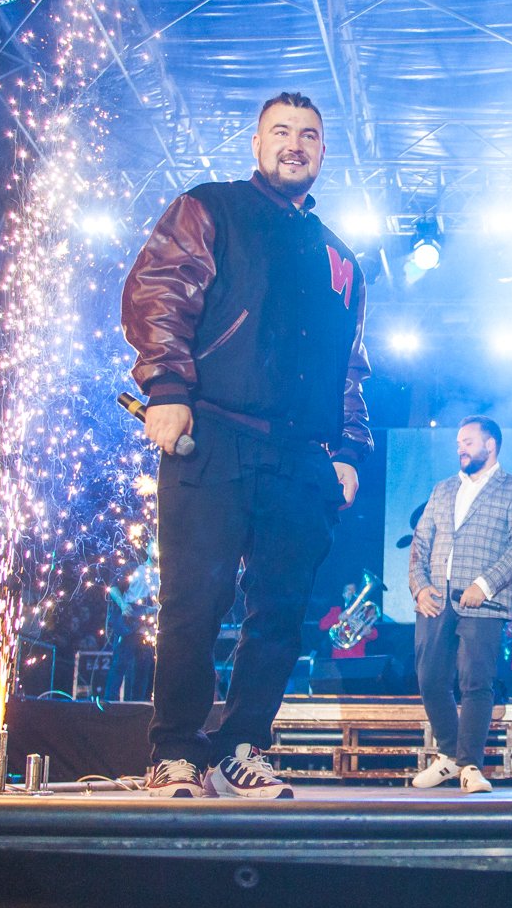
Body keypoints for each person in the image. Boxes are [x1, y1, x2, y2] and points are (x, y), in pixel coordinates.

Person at [121, 90, 371, 800]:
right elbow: (160, 290)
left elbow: (350, 362)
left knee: (280, 614)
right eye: (281, 131)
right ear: (257, 144)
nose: (295, 144)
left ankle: (241, 749)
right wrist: (167, 387)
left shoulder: (341, 256)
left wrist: (349, 448)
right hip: (213, 431)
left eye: (309, 135)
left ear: (323, 152)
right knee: (193, 602)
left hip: (302, 454)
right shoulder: (211, 207)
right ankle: (175, 753)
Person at [407, 416, 512, 794]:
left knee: (475, 681)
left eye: (467, 442)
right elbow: (420, 543)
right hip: (435, 599)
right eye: (458, 444)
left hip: (484, 600)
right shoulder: (444, 488)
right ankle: (450, 753)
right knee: (430, 678)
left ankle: (469, 765)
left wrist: (485, 584)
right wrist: (419, 587)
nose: (460, 449)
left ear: (490, 445)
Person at [102, 545, 159, 702]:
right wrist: (123, 605)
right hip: (129, 626)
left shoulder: (164, 576)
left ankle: (137, 706)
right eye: (154, 546)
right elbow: (113, 588)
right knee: (119, 665)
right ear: (147, 548)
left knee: (143, 671)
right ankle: (110, 703)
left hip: (148, 631)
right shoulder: (134, 568)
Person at [318, 581, 372, 659]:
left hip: (359, 657)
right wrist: (338, 618)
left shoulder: (363, 612)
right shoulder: (336, 611)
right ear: (343, 595)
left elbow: (374, 634)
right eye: (349, 590)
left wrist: (368, 632)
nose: (352, 593)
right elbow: (322, 625)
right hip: (339, 658)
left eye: (354, 591)